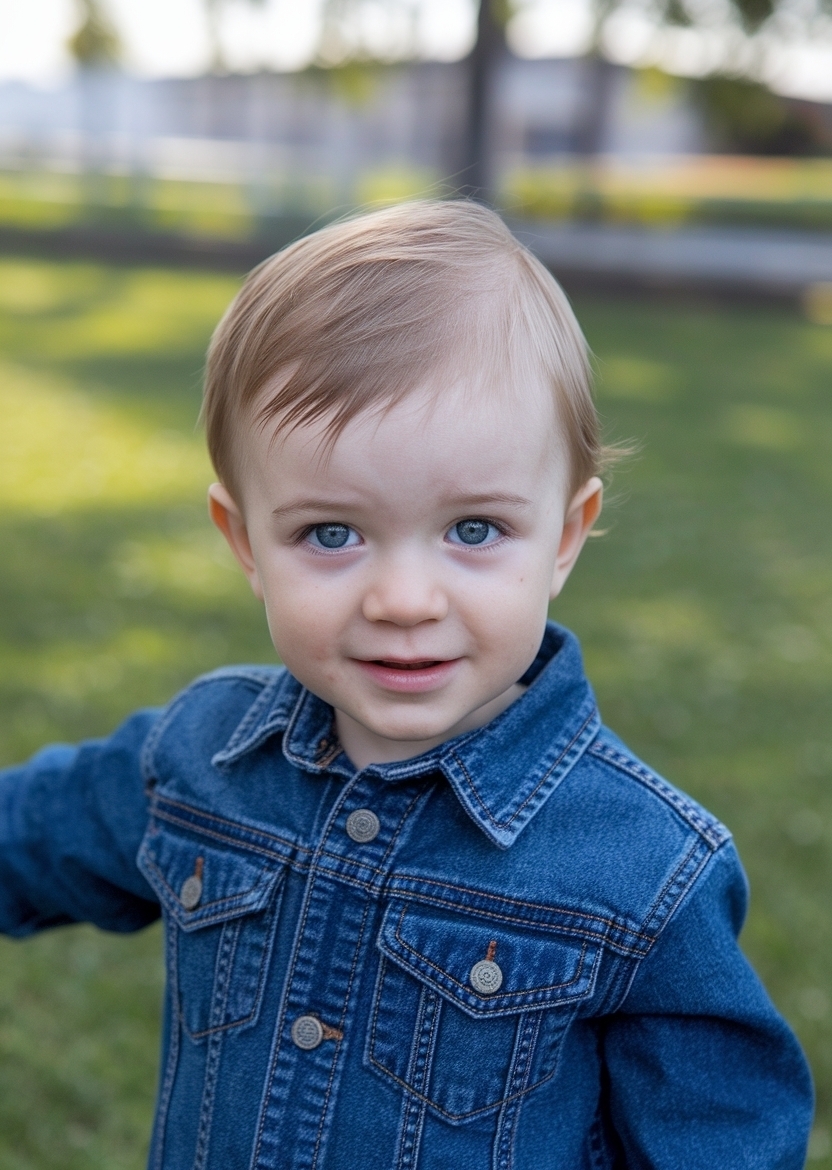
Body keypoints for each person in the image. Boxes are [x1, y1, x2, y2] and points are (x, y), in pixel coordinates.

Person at [0, 201, 812, 1169]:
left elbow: (721, 1141)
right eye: (330, 534)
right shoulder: (198, 757)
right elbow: (29, 836)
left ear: (562, 534)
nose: (401, 599)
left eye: (473, 531)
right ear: (244, 541)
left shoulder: (642, 867)